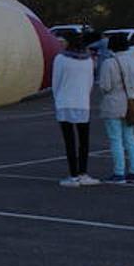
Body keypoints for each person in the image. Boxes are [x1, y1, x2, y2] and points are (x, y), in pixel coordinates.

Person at [51, 30, 99, 187]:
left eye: (62, 40)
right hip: (82, 103)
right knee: (84, 141)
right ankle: (83, 173)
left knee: (69, 141)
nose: (60, 43)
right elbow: (90, 83)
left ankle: (73, 175)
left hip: (65, 102)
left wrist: (58, 98)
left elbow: (55, 83)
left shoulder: (60, 59)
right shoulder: (88, 60)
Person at [99, 32, 134, 184]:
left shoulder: (109, 63)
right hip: (131, 101)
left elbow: (105, 86)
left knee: (115, 139)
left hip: (113, 103)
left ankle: (119, 173)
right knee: (130, 139)